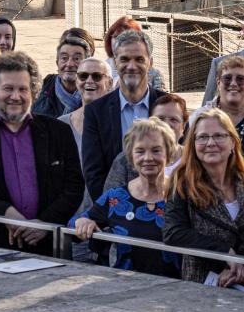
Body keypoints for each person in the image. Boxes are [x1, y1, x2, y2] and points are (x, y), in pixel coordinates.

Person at [0, 53, 84, 250]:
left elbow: (73, 186)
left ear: (33, 92)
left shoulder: (58, 132)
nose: (15, 96)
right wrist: (5, 213)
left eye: (23, 89)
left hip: (46, 246)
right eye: (8, 88)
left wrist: (45, 223)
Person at [164, 107, 244, 290]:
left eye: (219, 136)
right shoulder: (182, 184)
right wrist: (224, 252)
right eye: (202, 137)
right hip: (202, 289)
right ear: (193, 144)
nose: (210, 143)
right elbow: (174, 232)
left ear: (233, 142)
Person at [75, 116, 179, 277]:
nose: (148, 158)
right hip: (125, 289)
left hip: (177, 289)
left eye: (156, 150)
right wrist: (82, 221)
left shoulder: (183, 195)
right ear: (131, 156)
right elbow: (76, 225)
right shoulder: (116, 198)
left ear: (169, 153)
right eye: (140, 151)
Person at [79, 29, 167, 191]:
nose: (131, 66)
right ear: (115, 63)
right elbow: (93, 173)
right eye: (124, 59)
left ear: (150, 63)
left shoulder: (168, 105)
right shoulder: (96, 112)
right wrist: (113, 209)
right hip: (114, 208)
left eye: (139, 59)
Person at [101, 92, 193, 195]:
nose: (166, 123)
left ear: (183, 127)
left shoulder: (193, 159)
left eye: (173, 119)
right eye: (160, 119)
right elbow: (110, 199)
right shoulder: (125, 160)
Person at [31, 29, 94, 121]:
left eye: (77, 58)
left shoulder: (98, 92)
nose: (70, 64)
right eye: (64, 57)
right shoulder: (42, 88)